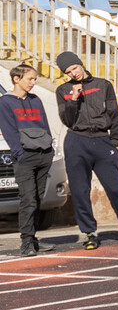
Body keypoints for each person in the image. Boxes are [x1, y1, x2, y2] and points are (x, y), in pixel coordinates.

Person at [54, 51, 118, 249]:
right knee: (81, 190)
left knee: (115, 188)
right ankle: (90, 233)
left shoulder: (103, 84)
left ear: (80, 64)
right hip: (76, 141)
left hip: (101, 140)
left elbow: (114, 115)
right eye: (68, 71)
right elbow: (67, 120)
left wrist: (114, 141)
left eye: (74, 68)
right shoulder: (63, 90)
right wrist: (73, 98)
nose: (73, 73)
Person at [0, 64, 56, 256]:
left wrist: (49, 151)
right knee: (28, 199)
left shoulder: (36, 100)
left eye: (35, 79)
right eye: (30, 79)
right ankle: (26, 242)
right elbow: (9, 131)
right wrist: (20, 154)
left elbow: (45, 126)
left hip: (43, 154)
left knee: (38, 199)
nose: (33, 83)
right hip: (25, 157)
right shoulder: (5, 102)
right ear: (17, 79)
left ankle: (33, 239)